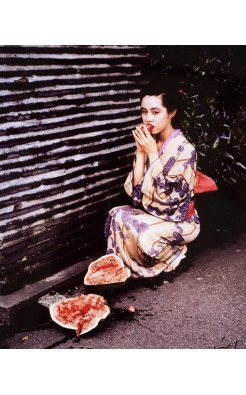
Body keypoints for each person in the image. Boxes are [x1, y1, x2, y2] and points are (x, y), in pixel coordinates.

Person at [104, 80, 200, 278]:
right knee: (116, 215)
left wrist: (152, 155)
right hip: (154, 213)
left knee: (145, 235)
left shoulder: (186, 150)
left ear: (171, 112)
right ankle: (124, 267)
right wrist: (141, 154)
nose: (148, 119)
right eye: (144, 111)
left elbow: (170, 199)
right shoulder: (150, 142)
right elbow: (134, 193)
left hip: (179, 220)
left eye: (156, 112)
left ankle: (175, 252)